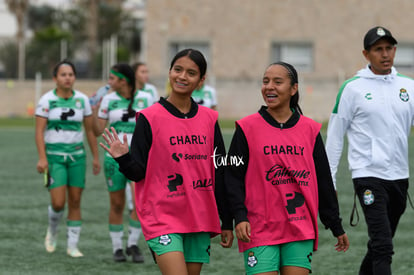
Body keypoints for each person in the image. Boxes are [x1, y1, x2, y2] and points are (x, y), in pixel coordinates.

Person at [100, 48, 234, 275]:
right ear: (170, 72)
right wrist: (123, 157)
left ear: (201, 81)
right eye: (177, 70)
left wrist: (227, 220)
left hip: (198, 215)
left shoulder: (209, 119)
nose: (182, 77)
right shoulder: (149, 117)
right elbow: (138, 172)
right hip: (162, 216)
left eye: (191, 73)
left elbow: (219, 170)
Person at [226, 61, 349, 275]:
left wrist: (335, 224)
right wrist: (239, 216)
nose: (269, 86)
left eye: (277, 82)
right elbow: (232, 177)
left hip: (299, 227)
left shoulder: (310, 130)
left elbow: (323, 181)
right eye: (265, 81)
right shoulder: (247, 127)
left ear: (293, 89)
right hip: (259, 227)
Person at [325, 26, 413, 275]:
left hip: (399, 178)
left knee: (378, 246)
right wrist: (329, 180)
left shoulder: (409, 86)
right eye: (378, 49)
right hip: (368, 177)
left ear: (394, 50)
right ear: (366, 54)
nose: (385, 54)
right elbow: (334, 137)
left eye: (389, 48)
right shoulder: (352, 89)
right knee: (384, 246)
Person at [35, 60, 101, 258]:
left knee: (75, 200)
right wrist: (42, 158)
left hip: (77, 157)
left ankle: (73, 245)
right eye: (63, 75)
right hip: (54, 158)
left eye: (71, 74)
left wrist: (95, 157)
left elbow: (89, 130)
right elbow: (39, 132)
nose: (68, 78)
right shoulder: (46, 100)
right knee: (58, 203)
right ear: (55, 78)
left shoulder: (82, 100)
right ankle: (53, 231)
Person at [93, 63, 154, 262]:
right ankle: (117, 247)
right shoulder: (108, 100)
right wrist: (95, 107)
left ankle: (133, 245)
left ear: (124, 80)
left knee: (138, 203)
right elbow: (97, 131)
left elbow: (154, 128)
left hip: (138, 158)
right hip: (113, 159)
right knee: (117, 204)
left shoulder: (146, 98)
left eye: (113, 78)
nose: (109, 82)